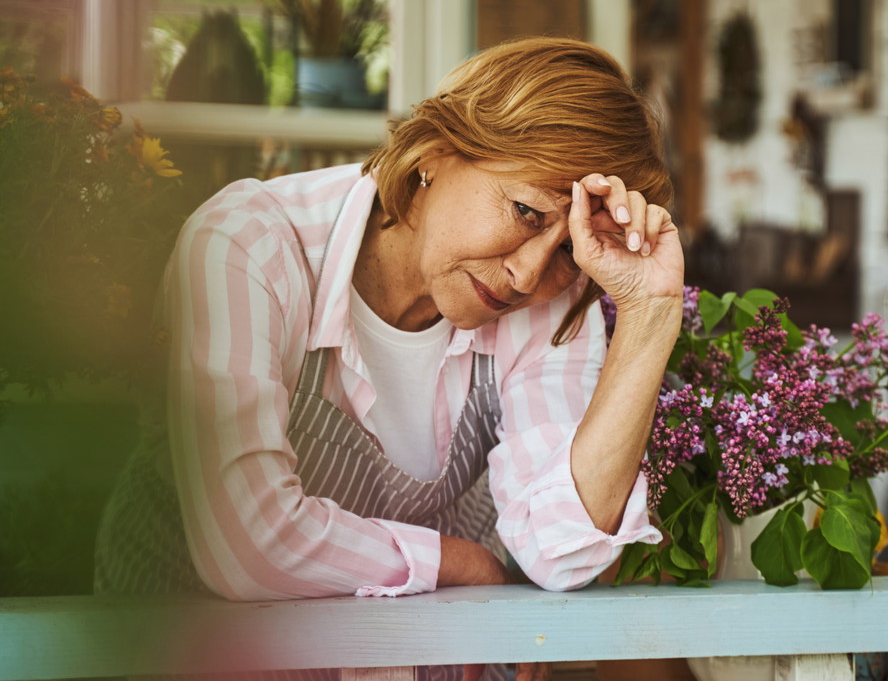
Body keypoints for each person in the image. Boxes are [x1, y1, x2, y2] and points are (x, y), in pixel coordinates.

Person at [94, 37, 683, 680]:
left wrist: (650, 314)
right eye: (523, 211)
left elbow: (562, 552)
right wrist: (458, 562)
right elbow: (250, 545)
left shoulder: (548, 301)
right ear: (434, 153)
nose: (525, 272)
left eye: (568, 249)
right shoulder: (248, 246)